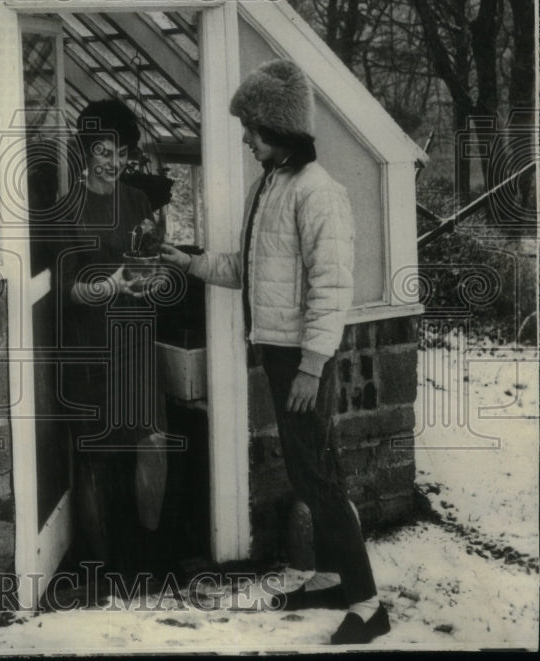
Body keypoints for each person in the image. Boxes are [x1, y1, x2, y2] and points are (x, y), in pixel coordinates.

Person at [160, 60, 390, 645]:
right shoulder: (272, 188)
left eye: (253, 131)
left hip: (302, 359)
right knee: (313, 469)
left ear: (279, 131)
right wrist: (190, 265)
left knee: (317, 475)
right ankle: (337, 576)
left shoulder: (320, 194)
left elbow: (331, 290)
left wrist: (312, 366)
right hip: (281, 352)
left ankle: (368, 603)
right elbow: (247, 268)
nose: (246, 140)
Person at [55, 98, 169, 580]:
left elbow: (153, 261)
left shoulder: (139, 201)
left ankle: (149, 552)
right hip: (92, 348)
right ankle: (100, 569)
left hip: (137, 339)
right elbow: (67, 290)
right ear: (86, 152)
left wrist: (152, 279)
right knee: (97, 459)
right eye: (104, 151)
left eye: (121, 152)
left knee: (153, 442)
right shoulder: (67, 210)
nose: (114, 162)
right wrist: (110, 286)